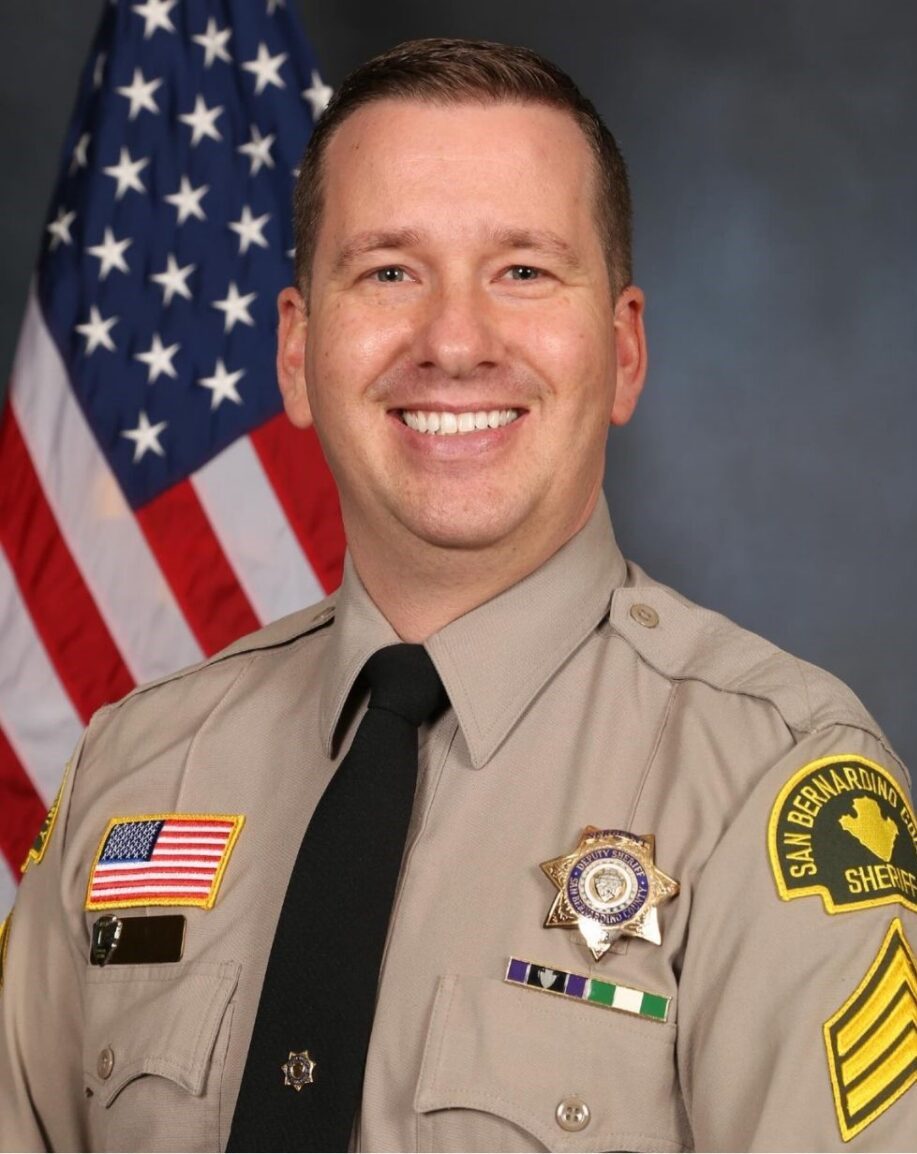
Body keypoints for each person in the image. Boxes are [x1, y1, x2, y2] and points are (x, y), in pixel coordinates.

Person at [1, 36, 915, 1154]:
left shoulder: (767, 784)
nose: (452, 341)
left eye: (522, 271)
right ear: (294, 351)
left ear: (621, 352)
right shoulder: (131, 771)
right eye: (388, 270)